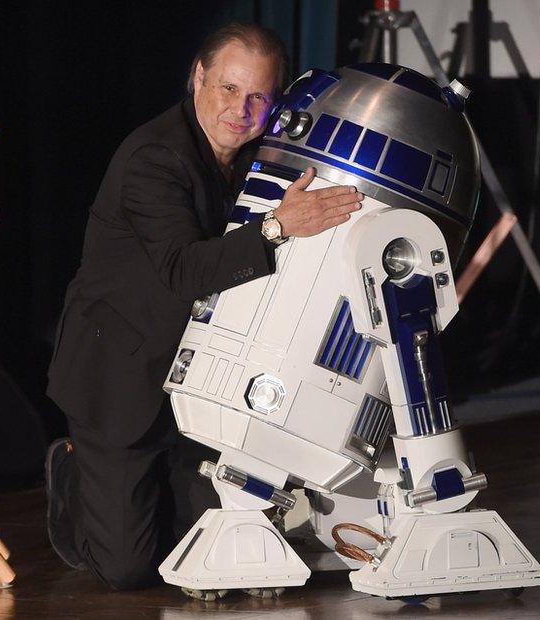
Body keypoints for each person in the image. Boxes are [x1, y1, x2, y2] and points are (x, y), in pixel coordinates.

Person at [45, 22, 364, 590]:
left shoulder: (253, 159)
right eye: (228, 89)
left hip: (197, 380)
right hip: (120, 376)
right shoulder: (153, 158)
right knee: (127, 570)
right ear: (198, 78)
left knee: (216, 554)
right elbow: (183, 270)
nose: (241, 110)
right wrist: (276, 229)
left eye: (259, 96)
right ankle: (73, 474)